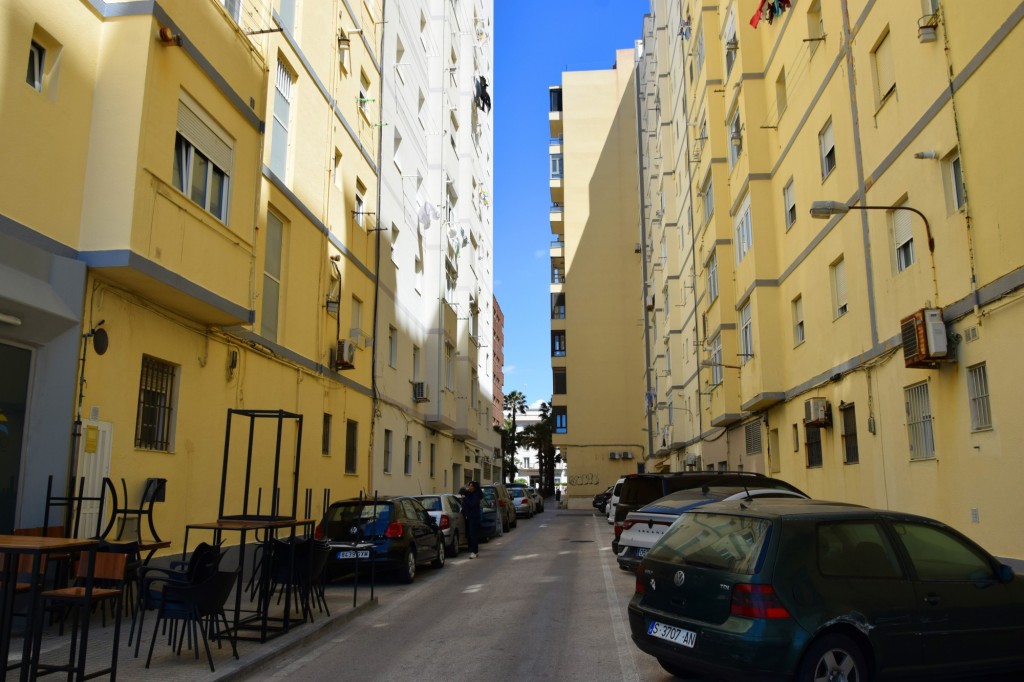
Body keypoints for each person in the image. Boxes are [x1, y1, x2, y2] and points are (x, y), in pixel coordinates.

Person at [458, 480, 484, 558]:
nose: (470, 487)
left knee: (473, 534)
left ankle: (474, 551)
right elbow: (461, 491)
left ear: (475, 487)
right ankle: (475, 551)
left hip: (474, 517)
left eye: (472, 486)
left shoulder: (476, 495)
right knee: (471, 534)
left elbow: (472, 505)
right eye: (469, 486)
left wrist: (465, 499)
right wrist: (466, 490)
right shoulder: (470, 493)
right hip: (469, 516)